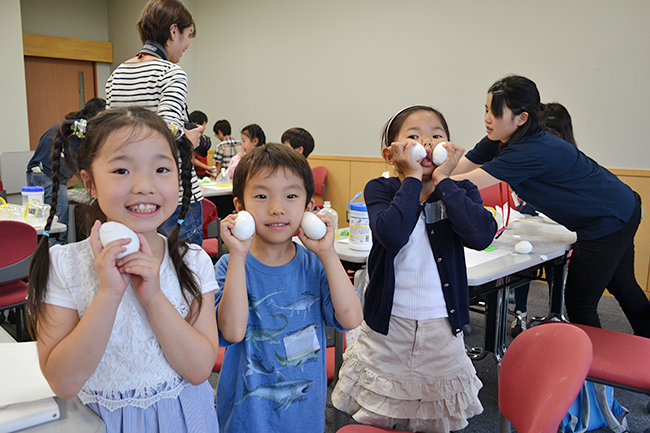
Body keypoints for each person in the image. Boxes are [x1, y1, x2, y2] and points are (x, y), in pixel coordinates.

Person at [26, 107, 220, 432]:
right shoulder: (65, 266)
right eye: (121, 170)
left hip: (184, 419)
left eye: (161, 168)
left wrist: (155, 297)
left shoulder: (192, 261)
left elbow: (199, 369)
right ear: (89, 182)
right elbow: (63, 383)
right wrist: (108, 294)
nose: (145, 185)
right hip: (103, 422)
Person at [332, 106, 496, 432]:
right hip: (389, 328)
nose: (427, 141)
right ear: (390, 154)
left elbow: (481, 235)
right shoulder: (381, 189)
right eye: (413, 136)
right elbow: (392, 233)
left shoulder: (459, 191)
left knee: (435, 416)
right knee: (380, 412)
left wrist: (444, 181)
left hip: (442, 328)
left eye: (437, 135)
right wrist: (410, 179)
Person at [452, 75, 650, 338]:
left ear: (521, 118)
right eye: (486, 110)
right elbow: (459, 169)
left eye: (495, 112)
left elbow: (465, 182)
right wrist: (436, 167)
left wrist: (417, 177)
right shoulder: (500, 139)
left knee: (580, 303)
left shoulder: (530, 149)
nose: (487, 118)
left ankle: (591, 372)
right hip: (621, 207)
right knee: (624, 287)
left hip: (607, 221)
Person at [214, 143, 363, 433]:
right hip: (247, 418)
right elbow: (232, 332)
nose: (277, 208)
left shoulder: (316, 264)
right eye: (261, 196)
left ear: (309, 208)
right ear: (239, 208)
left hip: (303, 417)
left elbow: (351, 319)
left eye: (291, 196)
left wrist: (328, 253)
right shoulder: (229, 265)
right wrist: (238, 255)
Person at [105, 0, 205, 246]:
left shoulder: (117, 75)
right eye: (187, 35)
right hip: (175, 195)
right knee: (183, 277)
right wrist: (189, 141)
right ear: (173, 31)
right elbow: (166, 136)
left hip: (133, 195)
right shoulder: (171, 73)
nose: (187, 44)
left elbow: (109, 139)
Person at [510, 102, 578, 337]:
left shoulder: (570, 159)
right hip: (530, 221)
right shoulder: (530, 153)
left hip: (559, 225)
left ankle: (556, 313)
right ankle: (520, 313)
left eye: (553, 132)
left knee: (555, 264)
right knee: (521, 263)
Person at [27, 98, 105, 244]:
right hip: (47, 175)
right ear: (99, 114)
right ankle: (54, 258)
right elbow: (81, 161)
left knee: (48, 223)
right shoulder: (80, 129)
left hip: (39, 172)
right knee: (57, 225)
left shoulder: (72, 124)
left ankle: (48, 256)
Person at [189, 110, 216, 178]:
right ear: (197, 124)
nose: (205, 128)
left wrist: (209, 168)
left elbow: (203, 159)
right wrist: (207, 167)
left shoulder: (202, 141)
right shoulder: (192, 140)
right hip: (195, 174)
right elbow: (193, 160)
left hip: (203, 174)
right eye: (204, 124)